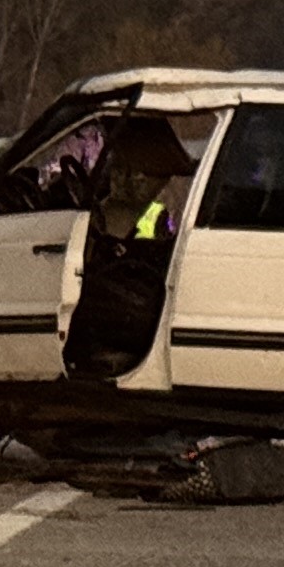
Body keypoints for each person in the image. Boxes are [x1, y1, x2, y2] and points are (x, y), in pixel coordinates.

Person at [64, 113, 195, 377]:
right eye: (119, 169)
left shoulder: (161, 209)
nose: (122, 179)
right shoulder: (106, 207)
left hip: (135, 293)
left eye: (134, 173)